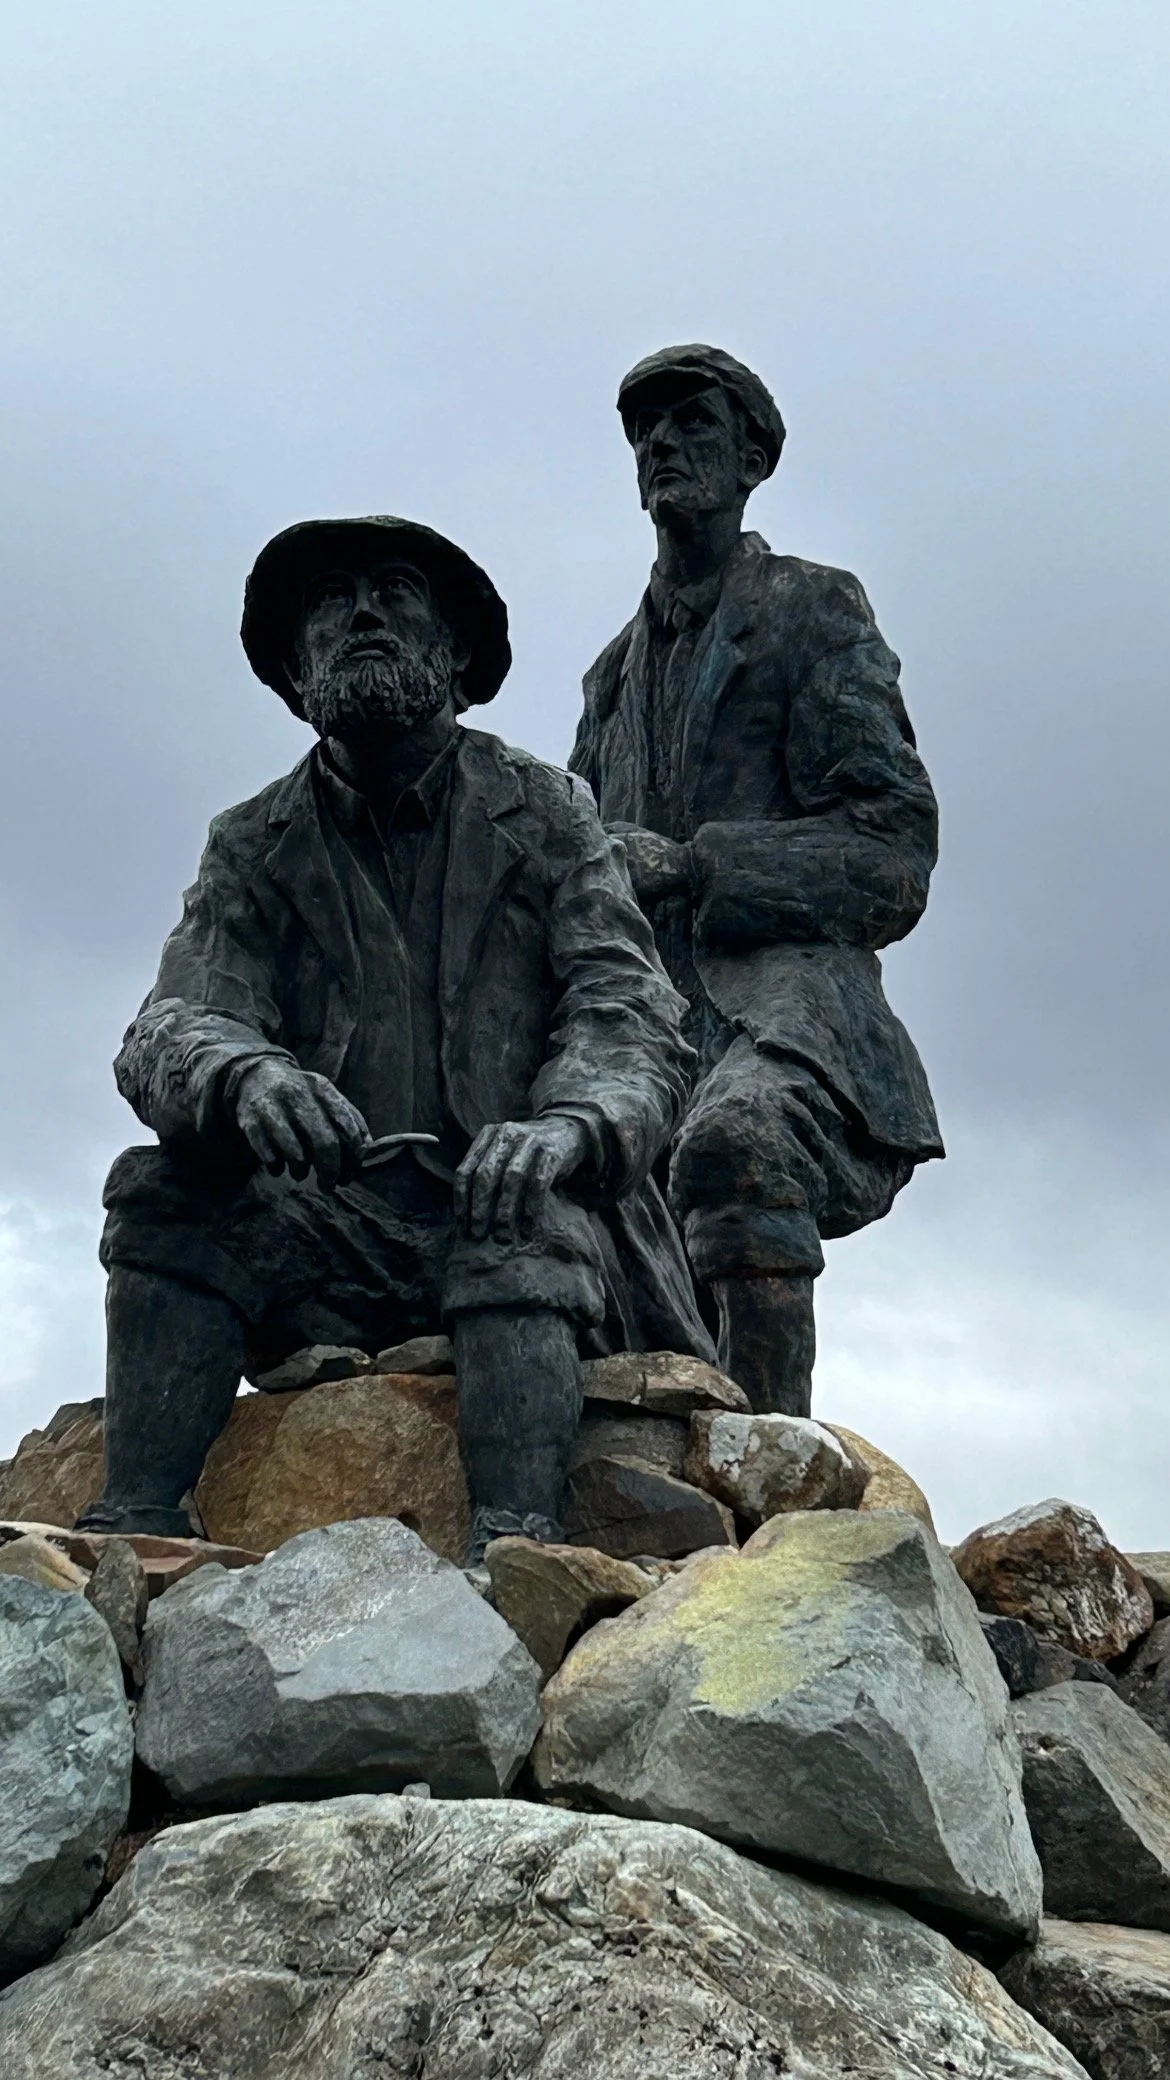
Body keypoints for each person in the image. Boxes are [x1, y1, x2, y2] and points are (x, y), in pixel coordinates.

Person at [80, 515, 712, 1561]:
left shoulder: (549, 814)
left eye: (395, 590)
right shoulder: (251, 842)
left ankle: (517, 1550)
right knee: (163, 1191)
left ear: (457, 653)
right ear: (294, 666)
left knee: (520, 1214)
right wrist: (239, 1076)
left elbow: (629, 1010)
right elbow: (171, 1022)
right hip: (333, 1236)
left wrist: (566, 1127)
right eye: (332, 596)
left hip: (510, 1220)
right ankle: (134, 1537)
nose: (363, 611)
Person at [570, 345, 943, 1414]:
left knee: (737, 1139)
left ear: (752, 459)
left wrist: (695, 868)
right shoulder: (610, 679)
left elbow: (893, 852)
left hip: (784, 1013)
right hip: (645, 1022)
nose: (662, 447)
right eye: (646, 432)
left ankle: (774, 1466)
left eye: (692, 424)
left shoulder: (812, 611)